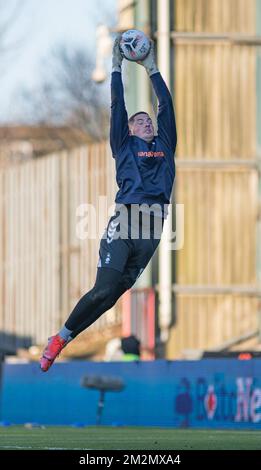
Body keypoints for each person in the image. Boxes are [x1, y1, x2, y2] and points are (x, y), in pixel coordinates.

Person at [40, 35, 177, 372]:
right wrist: (115, 68)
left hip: (153, 227)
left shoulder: (165, 145)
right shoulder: (124, 145)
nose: (145, 120)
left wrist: (151, 68)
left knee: (112, 296)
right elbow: (119, 106)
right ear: (128, 131)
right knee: (103, 289)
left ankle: (65, 335)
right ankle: (59, 339)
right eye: (138, 120)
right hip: (127, 221)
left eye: (149, 120)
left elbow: (166, 107)